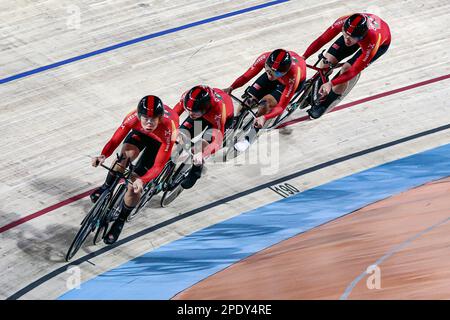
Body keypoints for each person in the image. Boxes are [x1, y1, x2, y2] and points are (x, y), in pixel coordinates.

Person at [91, 95, 179, 244]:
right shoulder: (132, 117)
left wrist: (142, 180)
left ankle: (120, 220)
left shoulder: (169, 128)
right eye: (145, 118)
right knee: (122, 158)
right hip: (140, 134)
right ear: (139, 116)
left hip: (159, 143)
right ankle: (106, 187)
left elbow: (158, 165)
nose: (149, 122)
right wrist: (103, 155)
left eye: (153, 119)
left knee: (134, 186)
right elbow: (114, 140)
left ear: (160, 117)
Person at [301, 13, 391, 119]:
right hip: (359, 35)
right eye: (345, 35)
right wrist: (304, 56)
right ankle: (316, 91)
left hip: (378, 44)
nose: (347, 40)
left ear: (361, 36)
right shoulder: (343, 21)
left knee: (347, 69)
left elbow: (354, 71)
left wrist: (332, 83)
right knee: (326, 61)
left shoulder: (373, 39)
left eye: (351, 38)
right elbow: (322, 40)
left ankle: (324, 105)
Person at [223, 48, 306, 150]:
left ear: (285, 71)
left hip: (288, 82)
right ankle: (236, 120)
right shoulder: (265, 59)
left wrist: (264, 118)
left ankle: (249, 138)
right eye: (269, 70)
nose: (272, 75)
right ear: (266, 64)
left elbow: (281, 107)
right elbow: (246, 76)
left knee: (265, 104)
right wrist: (231, 87)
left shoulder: (293, 74)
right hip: (281, 75)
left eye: (277, 73)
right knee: (248, 101)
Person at [172, 85, 235, 189]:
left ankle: (196, 170)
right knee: (179, 135)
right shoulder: (188, 98)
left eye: (194, 112)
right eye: (188, 110)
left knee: (200, 147)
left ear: (205, 107)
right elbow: (173, 116)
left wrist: (203, 153)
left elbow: (217, 141)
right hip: (202, 115)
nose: (191, 114)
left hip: (217, 121)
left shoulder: (218, 110)